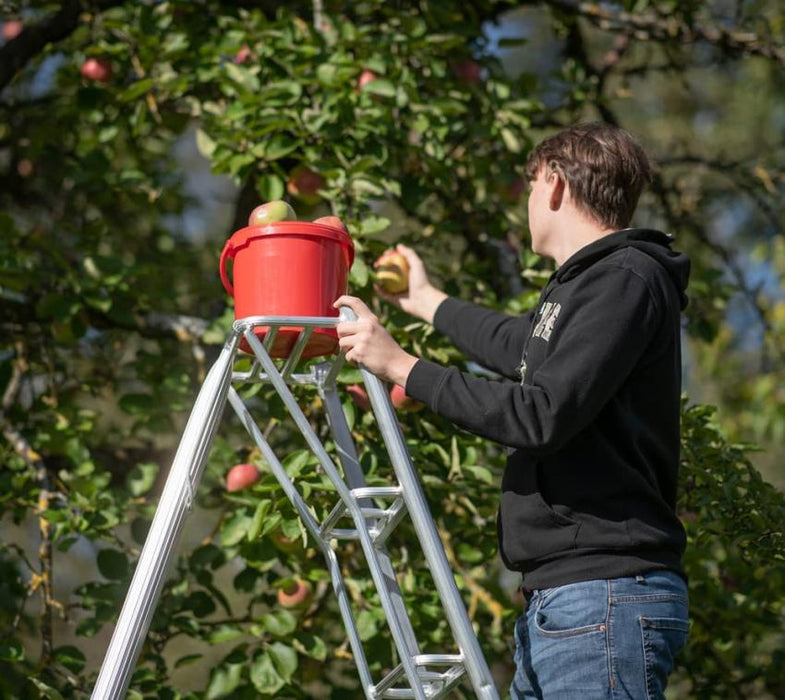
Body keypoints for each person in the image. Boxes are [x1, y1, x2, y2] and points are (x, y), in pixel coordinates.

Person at [335, 121, 690, 699]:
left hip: (603, 595)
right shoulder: (587, 287)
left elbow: (540, 413)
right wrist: (424, 301)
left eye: (529, 188)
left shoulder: (626, 277)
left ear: (552, 183)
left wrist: (400, 366)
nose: (527, 203)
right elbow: (519, 346)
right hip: (570, 600)